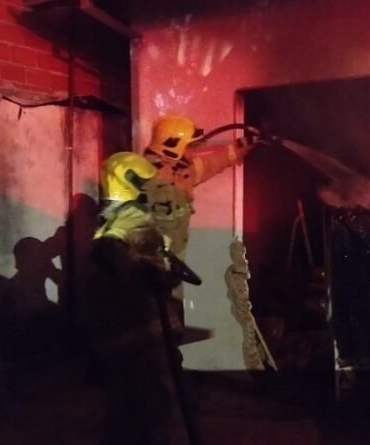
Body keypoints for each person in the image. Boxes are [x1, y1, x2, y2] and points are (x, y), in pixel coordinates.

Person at [82, 151, 187, 445]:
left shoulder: (110, 219)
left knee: (124, 407)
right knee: (155, 407)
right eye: (144, 182)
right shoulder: (133, 221)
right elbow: (140, 270)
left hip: (120, 334)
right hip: (144, 333)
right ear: (130, 182)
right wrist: (165, 274)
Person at [142, 115, 259, 341]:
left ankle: (170, 351)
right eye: (188, 146)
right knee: (153, 327)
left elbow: (213, 162)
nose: (191, 151)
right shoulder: (144, 178)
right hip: (150, 269)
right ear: (172, 146)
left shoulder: (180, 172)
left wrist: (243, 144)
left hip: (173, 266)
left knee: (171, 326)